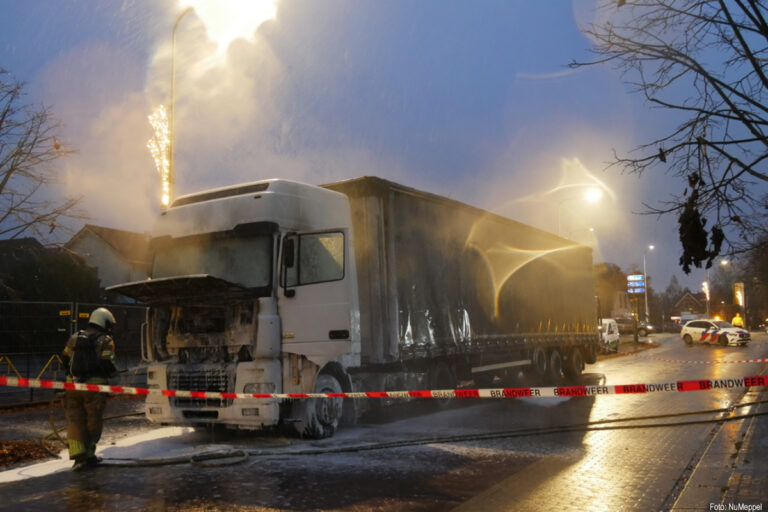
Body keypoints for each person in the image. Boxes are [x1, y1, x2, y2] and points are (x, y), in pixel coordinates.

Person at [61, 307, 117, 470]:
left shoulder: (74, 337)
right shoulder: (106, 340)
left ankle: (79, 457)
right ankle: (90, 455)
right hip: (94, 387)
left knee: (75, 420)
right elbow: (108, 362)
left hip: (72, 387)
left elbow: (64, 358)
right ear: (103, 322)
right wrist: (113, 375)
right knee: (93, 420)